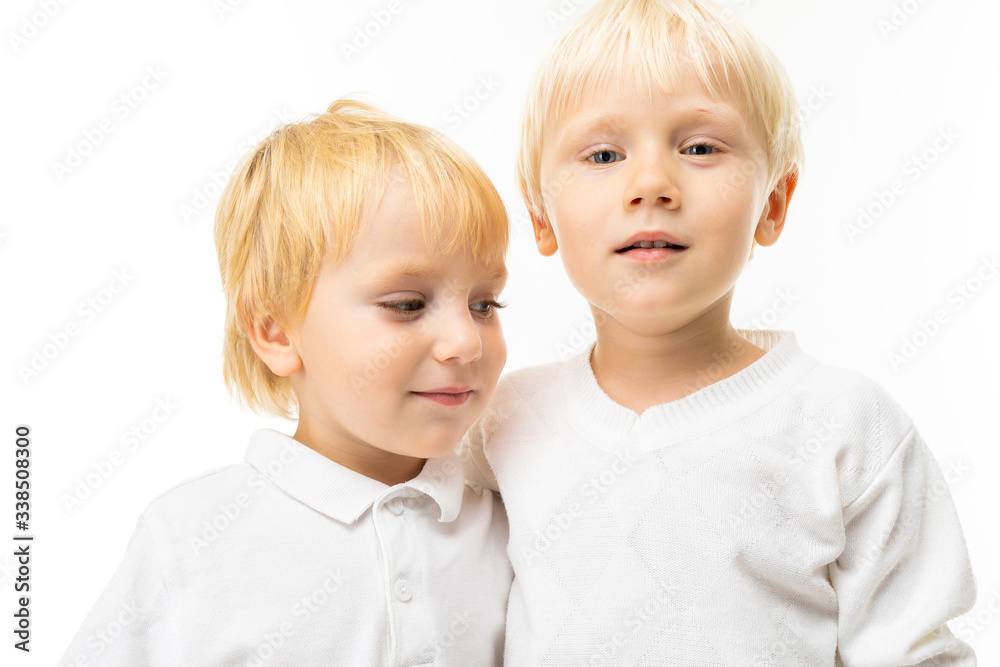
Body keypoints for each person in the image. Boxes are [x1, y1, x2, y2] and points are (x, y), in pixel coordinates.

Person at [461, 0, 977, 663]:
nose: (651, 183)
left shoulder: (846, 424)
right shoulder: (498, 425)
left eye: (700, 146)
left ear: (774, 203)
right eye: (603, 153)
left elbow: (917, 648)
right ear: (540, 216)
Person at [60, 98, 513, 666]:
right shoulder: (190, 539)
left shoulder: (513, 520)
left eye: (484, 303)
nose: (466, 342)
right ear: (276, 332)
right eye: (407, 304)